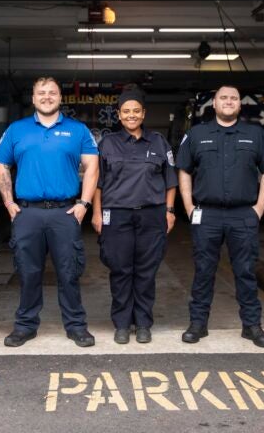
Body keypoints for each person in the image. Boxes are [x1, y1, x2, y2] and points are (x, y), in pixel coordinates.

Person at [0, 76, 99, 348]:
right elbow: (1, 166)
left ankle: (76, 326)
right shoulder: (16, 130)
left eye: (52, 92)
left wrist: (84, 204)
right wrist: (8, 203)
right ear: (33, 98)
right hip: (27, 214)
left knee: (69, 272)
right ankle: (25, 326)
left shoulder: (78, 131)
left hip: (65, 213)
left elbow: (92, 166)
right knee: (28, 273)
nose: (47, 97)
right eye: (41, 93)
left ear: (60, 97)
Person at [176, 85, 264, 348]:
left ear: (240, 105)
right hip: (206, 215)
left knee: (245, 271)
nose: (229, 102)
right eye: (224, 98)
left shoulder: (255, 134)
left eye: (234, 98)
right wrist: (189, 207)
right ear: (214, 103)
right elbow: (184, 170)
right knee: (203, 271)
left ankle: (252, 325)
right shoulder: (196, 134)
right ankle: (198, 323)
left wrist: (259, 208)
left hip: (243, 214)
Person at [92, 85, 177, 344]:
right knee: (120, 270)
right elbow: (97, 183)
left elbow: (170, 180)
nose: (131, 115)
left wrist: (170, 211)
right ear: (119, 115)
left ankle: (142, 324)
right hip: (116, 216)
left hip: (151, 216)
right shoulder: (107, 143)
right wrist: (96, 213)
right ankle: (121, 323)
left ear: (144, 114)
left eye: (136, 111)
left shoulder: (159, 142)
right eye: (126, 111)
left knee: (146, 272)